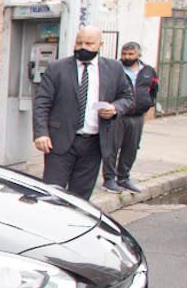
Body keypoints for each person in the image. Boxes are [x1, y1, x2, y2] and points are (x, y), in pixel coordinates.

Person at [32, 26, 133, 200]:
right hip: (60, 141)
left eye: (89, 43)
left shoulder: (113, 68)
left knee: (80, 197)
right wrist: (41, 133)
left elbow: (127, 97)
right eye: (79, 43)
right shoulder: (57, 68)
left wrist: (115, 108)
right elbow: (42, 102)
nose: (82, 47)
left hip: (94, 143)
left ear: (100, 45)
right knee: (51, 194)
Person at [101, 41, 159, 194]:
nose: (127, 57)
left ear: (139, 54)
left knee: (131, 148)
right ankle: (109, 179)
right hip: (117, 115)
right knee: (112, 148)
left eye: (131, 54)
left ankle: (124, 178)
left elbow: (154, 89)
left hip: (137, 116)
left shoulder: (148, 71)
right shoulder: (114, 69)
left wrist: (149, 103)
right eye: (124, 54)